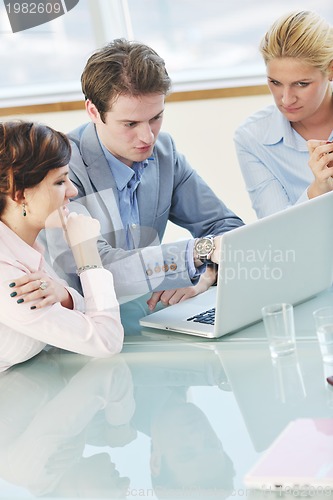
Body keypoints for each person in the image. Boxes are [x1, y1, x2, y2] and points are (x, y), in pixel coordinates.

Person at [45, 38, 244, 319]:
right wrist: (199, 252)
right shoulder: (61, 168)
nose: (148, 137)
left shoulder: (164, 152)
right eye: (130, 124)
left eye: (156, 117)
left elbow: (226, 227)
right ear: (93, 111)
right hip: (78, 321)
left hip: (144, 315)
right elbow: (94, 268)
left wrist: (207, 274)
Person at [0, 120, 124, 372]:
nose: (73, 191)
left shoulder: (22, 247)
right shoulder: (6, 274)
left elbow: (84, 315)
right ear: (19, 193)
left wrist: (65, 296)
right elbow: (106, 341)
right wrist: (86, 252)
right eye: (60, 182)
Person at [234, 10, 333, 219]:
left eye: (301, 84)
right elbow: (276, 231)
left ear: (330, 70)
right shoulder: (252, 138)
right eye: (275, 82)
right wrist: (316, 192)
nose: (286, 99)